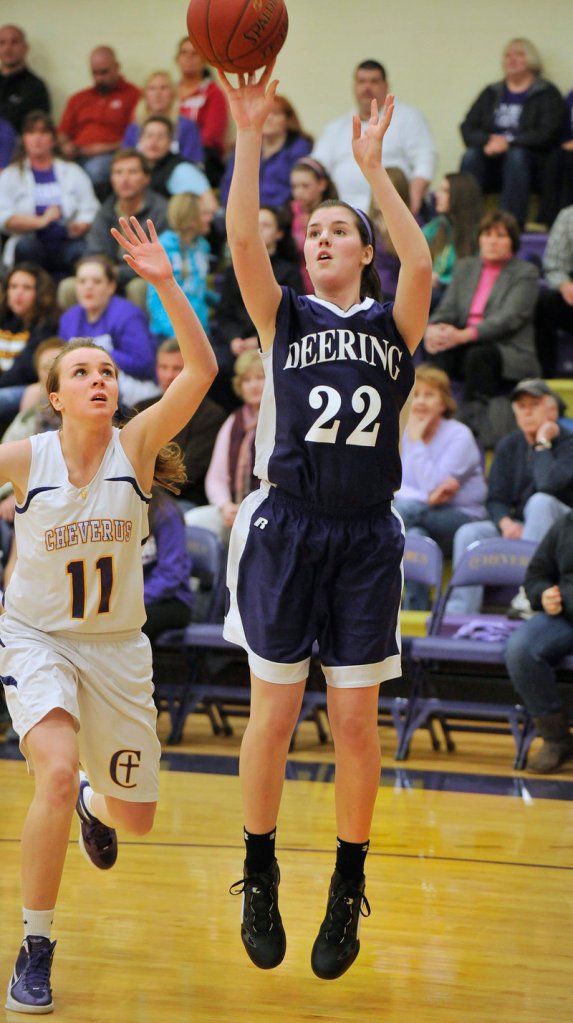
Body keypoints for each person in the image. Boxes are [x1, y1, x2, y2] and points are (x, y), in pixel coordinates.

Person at [218, 64, 432, 980]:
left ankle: (347, 885)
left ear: (362, 251)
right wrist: (248, 134)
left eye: (337, 230)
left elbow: (420, 261)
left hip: (363, 539)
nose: (320, 238)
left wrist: (371, 171)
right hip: (288, 527)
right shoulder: (287, 318)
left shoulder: (393, 323)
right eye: (313, 230)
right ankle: (258, 868)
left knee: (353, 725)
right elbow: (239, 240)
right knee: (270, 716)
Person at [1, 214, 217, 1014]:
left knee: (139, 816)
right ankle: (35, 945)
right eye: (82, 371)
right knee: (52, 772)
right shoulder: (27, 457)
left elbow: (201, 366)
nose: (100, 379)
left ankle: (101, 800)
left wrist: (163, 281)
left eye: (108, 371)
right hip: (36, 638)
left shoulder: (135, 448)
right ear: (54, 395)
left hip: (119, 650)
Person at [447, 379, 573, 616]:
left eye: (534, 405)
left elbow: (548, 485)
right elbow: (495, 498)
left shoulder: (568, 444)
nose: (527, 412)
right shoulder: (508, 445)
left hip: (563, 529)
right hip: (523, 526)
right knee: (470, 533)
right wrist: (504, 522)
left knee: (540, 502)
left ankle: (529, 593)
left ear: (552, 410)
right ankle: (458, 613)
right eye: (521, 406)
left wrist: (543, 444)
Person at [393, 365, 487, 609]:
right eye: (416, 394)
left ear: (444, 402)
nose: (421, 402)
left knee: (398, 515)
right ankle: (416, 610)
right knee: (413, 536)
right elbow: (398, 487)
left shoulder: (460, 435)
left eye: (429, 395)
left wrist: (417, 442)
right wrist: (423, 497)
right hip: (420, 517)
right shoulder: (401, 434)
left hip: (461, 519)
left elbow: (433, 485)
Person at [423, 210, 540, 405]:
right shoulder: (465, 267)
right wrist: (433, 329)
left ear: (513, 241)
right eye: (487, 235)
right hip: (463, 341)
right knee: (438, 347)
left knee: (478, 356)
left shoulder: (526, 273)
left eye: (500, 236)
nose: (492, 241)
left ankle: (472, 415)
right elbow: (447, 309)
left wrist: (462, 336)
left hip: (505, 347)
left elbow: (508, 319)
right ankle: (437, 410)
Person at [459, 38, 564, 227]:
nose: (511, 60)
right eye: (507, 55)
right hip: (492, 161)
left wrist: (509, 142)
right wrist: (489, 140)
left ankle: (509, 225)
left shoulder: (546, 92)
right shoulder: (492, 92)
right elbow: (467, 128)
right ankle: (466, 224)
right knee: (471, 156)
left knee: (516, 156)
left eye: (519, 55)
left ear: (532, 60)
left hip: (532, 164)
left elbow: (548, 133)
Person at [312, 59, 437, 215]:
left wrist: (412, 202)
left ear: (386, 86)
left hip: (391, 213)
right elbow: (317, 167)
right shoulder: (336, 128)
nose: (367, 88)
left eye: (374, 81)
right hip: (342, 213)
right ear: (354, 87)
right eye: (361, 81)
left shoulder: (408, 118)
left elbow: (425, 161)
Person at [503, 510, 573, 774]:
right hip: (564, 616)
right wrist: (542, 594)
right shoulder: (566, 523)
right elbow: (536, 574)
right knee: (520, 649)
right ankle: (557, 739)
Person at [211, 204, 303, 400]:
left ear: (279, 233)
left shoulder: (290, 272)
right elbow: (224, 314)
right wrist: (234, 339)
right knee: (217, 368)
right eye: (255, 224)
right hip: (238, 343)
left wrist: (258, 340)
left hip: (274, 341)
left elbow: (294, 314)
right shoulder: (233, 270)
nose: (259, 229)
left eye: (266, 225)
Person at [0, 110, 99, 273]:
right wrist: (40, 221)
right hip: (30, 242)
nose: (37, 138)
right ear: (23, 139)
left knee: (82, 251)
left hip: (66, 241)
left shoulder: (72, 171)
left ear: (53, 139)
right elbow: (3, 216)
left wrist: (81, 225)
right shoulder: (11, 175)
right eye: (31, 132)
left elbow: (91, 208)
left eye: (43, 132)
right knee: (26, 246)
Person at [134, 337, 226, 511]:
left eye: (177, 368)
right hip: (138, 494)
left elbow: (185, 473)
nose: (169, 375)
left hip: (184, 501)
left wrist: (140, 492)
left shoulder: (211, 416)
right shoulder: (141, 408)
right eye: (163, 367)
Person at [58, 255, 159, 408]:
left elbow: (144, 364)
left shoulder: (128, 315)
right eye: (82, 281)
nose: (88, 287)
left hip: (130, 395)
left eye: (96, 281)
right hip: (83, 389)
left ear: (111, 286)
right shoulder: (68, 318)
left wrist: (99, 355)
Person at [185, 350, 264, 541]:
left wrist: (250, 509)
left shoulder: (282, 419)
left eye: (260, 378)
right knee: (191, 520)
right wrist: (225, 506)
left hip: (267, 510)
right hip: (235, 508)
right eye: (247, 380)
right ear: (239, 385)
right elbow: (216, 478)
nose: (253, 386)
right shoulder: (234, 421)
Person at [75, 148, 168, 308]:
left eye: (132, 172)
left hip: (142, 276)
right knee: (70, 286)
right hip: (107, 275)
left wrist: (114, 273)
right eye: (118, 173)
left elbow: (160, 260)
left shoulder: (161, 210)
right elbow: (94, 250)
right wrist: (102, 274)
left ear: (146, 178)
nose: (124, 179)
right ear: (112, 179)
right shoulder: (106, 209)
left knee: (137, 288)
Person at [57, 46, 140, 193]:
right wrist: (65, 146)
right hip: (77, 155)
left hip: (112, 156)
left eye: (104, 72)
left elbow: (135, 138)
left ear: (116, 67)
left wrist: (103, 148)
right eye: (95, 73)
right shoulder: (78, 98)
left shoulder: (133, 95)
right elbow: (62, 133)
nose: (99, 78)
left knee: (94, 170)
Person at [219, 93, 312, 208]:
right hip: (243, 211)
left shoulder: (299, 148)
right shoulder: (243, 146)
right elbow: (229, 183)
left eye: (275, 114)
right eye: (264, 114)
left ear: (288, 120)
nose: (268, 119)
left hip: (280, 214)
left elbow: (295, 190)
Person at [147, 192, 218, 338]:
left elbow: (197, 288)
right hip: (170, 334)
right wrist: (177, 335)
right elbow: (155, 298)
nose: (210, 218)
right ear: (191, 218)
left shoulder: (203, 246)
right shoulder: (164, 246)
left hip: (200, 331)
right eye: (204, 213)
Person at [0, 262, 59, 429]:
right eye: (13, 286)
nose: (18, 293)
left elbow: (23, 370)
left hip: (26, 388)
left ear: (39, 293)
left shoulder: (47, 326)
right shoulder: (4, 319)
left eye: (26, 288)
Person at [422, 172, 483, 308]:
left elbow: (478, 272)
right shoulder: (437, 225)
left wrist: (443, 280)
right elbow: (414, 251)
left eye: (445, 191)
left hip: (462, 295)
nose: (437, 195)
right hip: (434, 291)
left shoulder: (479, 231)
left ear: (460, 196)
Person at [176, 37, 229, 187]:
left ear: (204, 60)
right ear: (177, 58)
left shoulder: (213, 92)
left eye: (194, 54)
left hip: (202, 156)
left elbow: (211, 136)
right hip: (169, 154)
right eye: (184, 53)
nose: (188, 58)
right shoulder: (170, 92)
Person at [142, 487, 194, 641]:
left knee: (132, 622)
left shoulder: (165, 512)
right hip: (127, 600)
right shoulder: (113, 509)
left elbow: (170, 575)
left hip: (171, 601)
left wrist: (133, 601)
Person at [123, 69, 204, 165]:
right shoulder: (134, 128)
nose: (158, 93)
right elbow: (125, 162)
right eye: (152, 88)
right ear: (145, 95)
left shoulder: (187, 127)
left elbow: (193, 163)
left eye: (163, 88)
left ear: (173, 94)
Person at [534, 203, 573, 377]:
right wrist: (564, 285)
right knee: (545, 301)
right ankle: (545, 377)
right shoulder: (568, 216)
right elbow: (554, 266)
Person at [290, 156, 337, 293]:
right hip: (298, 287)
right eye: (294, 186)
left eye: (305, 186)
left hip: (328, 286)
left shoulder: (335, 213)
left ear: (321, 184)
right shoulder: (289, 213)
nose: (298, 192)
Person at [137, 115, 210, 198]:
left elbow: (210, 207)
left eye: (160, 137)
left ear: (170, 142)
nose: (154, 142)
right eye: (149, 136)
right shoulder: (132, 166)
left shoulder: (183, 170)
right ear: (140, 140)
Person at [369, 166, 411, 301]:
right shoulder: (368, 223)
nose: (376, 194)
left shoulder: (411, 226)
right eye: (375, 188)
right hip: (366, 292)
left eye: (383, 189)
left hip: (394, 296)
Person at [0, 24, 51, 133]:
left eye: (14, 42)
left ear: (25, 48)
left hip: (17, 146)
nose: (8, 48)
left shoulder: (35, 87)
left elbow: (39, 128)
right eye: (2, 43)